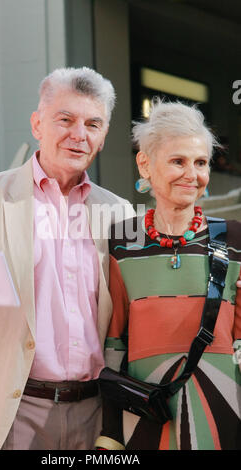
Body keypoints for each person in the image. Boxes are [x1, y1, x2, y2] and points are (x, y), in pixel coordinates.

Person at [0, 67, 135, 450]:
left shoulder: (121, 213)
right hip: (9, 409)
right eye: (65, 120)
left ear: (103, 135)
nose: (78, 135)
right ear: (37, 124)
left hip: (95, 412)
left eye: (92, 124)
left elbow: (137, 302)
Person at [96, 100, 241, 450]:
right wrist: (111, 434)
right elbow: (114, 344)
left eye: (201, 163)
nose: (192, 174)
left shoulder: (236, 238)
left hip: (226, 414)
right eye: (178, 161)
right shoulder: (121, 241)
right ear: (145, 164)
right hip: (146, 413)